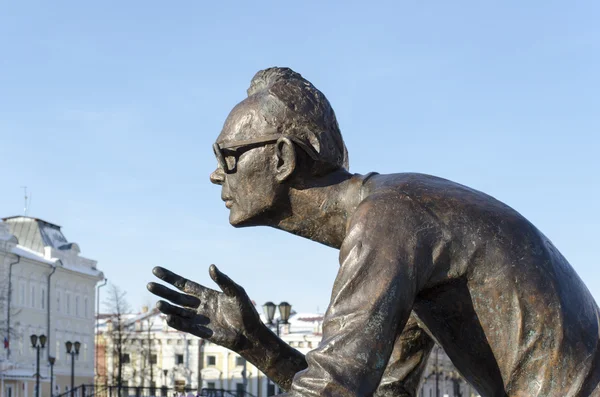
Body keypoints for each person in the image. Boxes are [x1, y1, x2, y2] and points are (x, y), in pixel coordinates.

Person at [148, 67, 600, 396]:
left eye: (227, 155)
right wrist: (255, 341)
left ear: (283, 158)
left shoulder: (386, 220)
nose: (215, 174)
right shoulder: (397, 223)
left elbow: (332, 392)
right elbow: (380, 393)